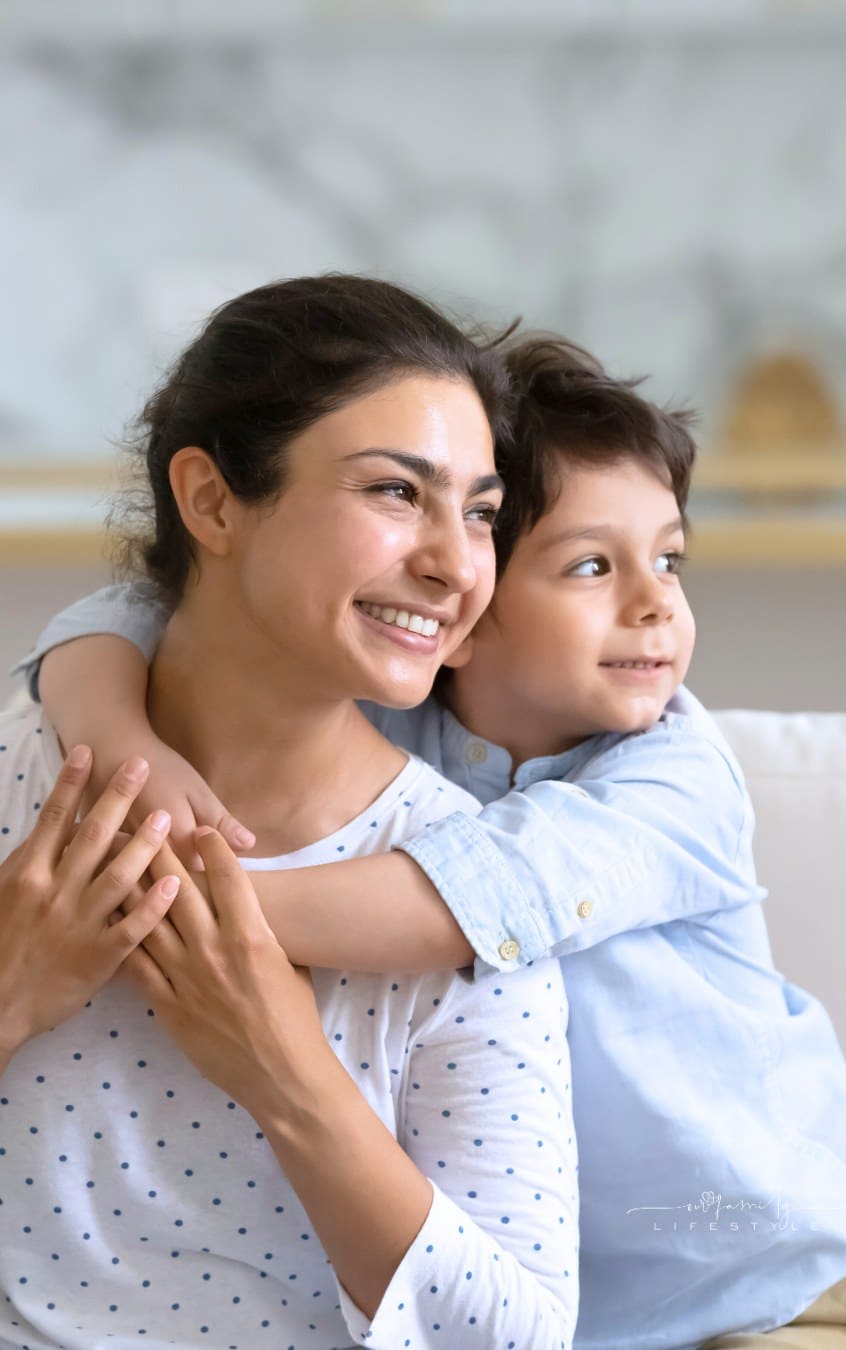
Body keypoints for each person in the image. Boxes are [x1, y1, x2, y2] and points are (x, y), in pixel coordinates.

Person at [19, 334, 846, 1350]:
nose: (657, 600)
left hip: (796, 1266)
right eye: (592, 565)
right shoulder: (386, 712)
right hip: (600, 1315)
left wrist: (148, 895)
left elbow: (477, 897)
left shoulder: (674, 778)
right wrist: (122, 739)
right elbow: (131, 610)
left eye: (668, 558)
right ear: (465, 613)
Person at [0, 275, 580, 1350]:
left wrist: (288, 1076)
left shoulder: (458, 895)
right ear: (212, 501)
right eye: (396, 492)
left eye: (480, 512)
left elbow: (523, 1335)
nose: (455, 564)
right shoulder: (20, 765)